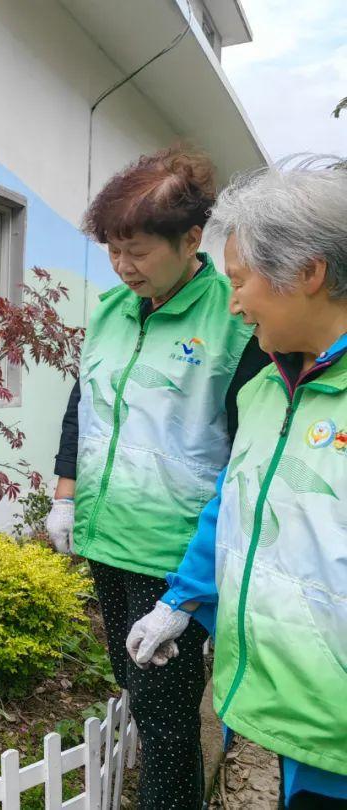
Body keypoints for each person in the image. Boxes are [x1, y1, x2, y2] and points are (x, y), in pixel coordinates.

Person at [44, 146, 267, 809]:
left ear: (192, 239)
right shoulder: (113, 311)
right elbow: (81, 404)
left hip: (175, 551)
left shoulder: (235, 318)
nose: (123, 265)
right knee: (139, 696)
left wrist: (189, 589)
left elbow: (249, 450)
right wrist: (65, 495)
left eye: (137, 249)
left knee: (166, 722)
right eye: (114, 249)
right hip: (107, 537)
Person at [127, 159, 347, 809]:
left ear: (309, 272)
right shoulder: (259, 392)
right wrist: (181, 601)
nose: (234, 302)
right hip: (246, 710)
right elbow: (232, 504)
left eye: (242, 281)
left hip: (330, 743)